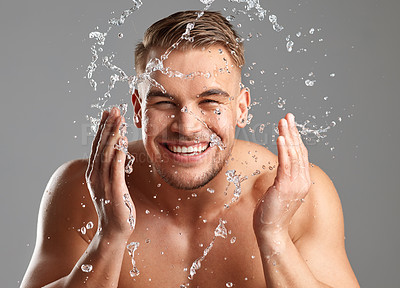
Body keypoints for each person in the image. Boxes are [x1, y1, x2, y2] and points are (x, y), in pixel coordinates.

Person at [21, 11, 359, 288]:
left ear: (241, 108)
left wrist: (273, 236)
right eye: (164, 102)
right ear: (138, 108)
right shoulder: (84, 189)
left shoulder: (299, 194)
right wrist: (110, 236)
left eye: (210, 101)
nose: (186, 126)